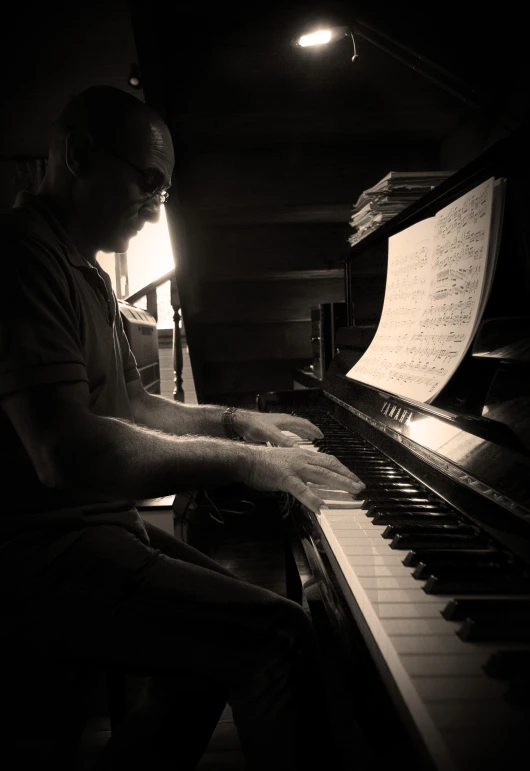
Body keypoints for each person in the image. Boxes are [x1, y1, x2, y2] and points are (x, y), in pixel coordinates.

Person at [0, 85, 364, 770]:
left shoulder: (86, 270)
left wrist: (235, 421)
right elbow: (64, 451)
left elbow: (133, 405)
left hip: (93, 532)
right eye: (148, 182)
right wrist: (246, 464)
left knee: (223, 642)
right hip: (38, 555)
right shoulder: (21, 259)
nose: (155, 205)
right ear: (79, 156)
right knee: (278, 636)